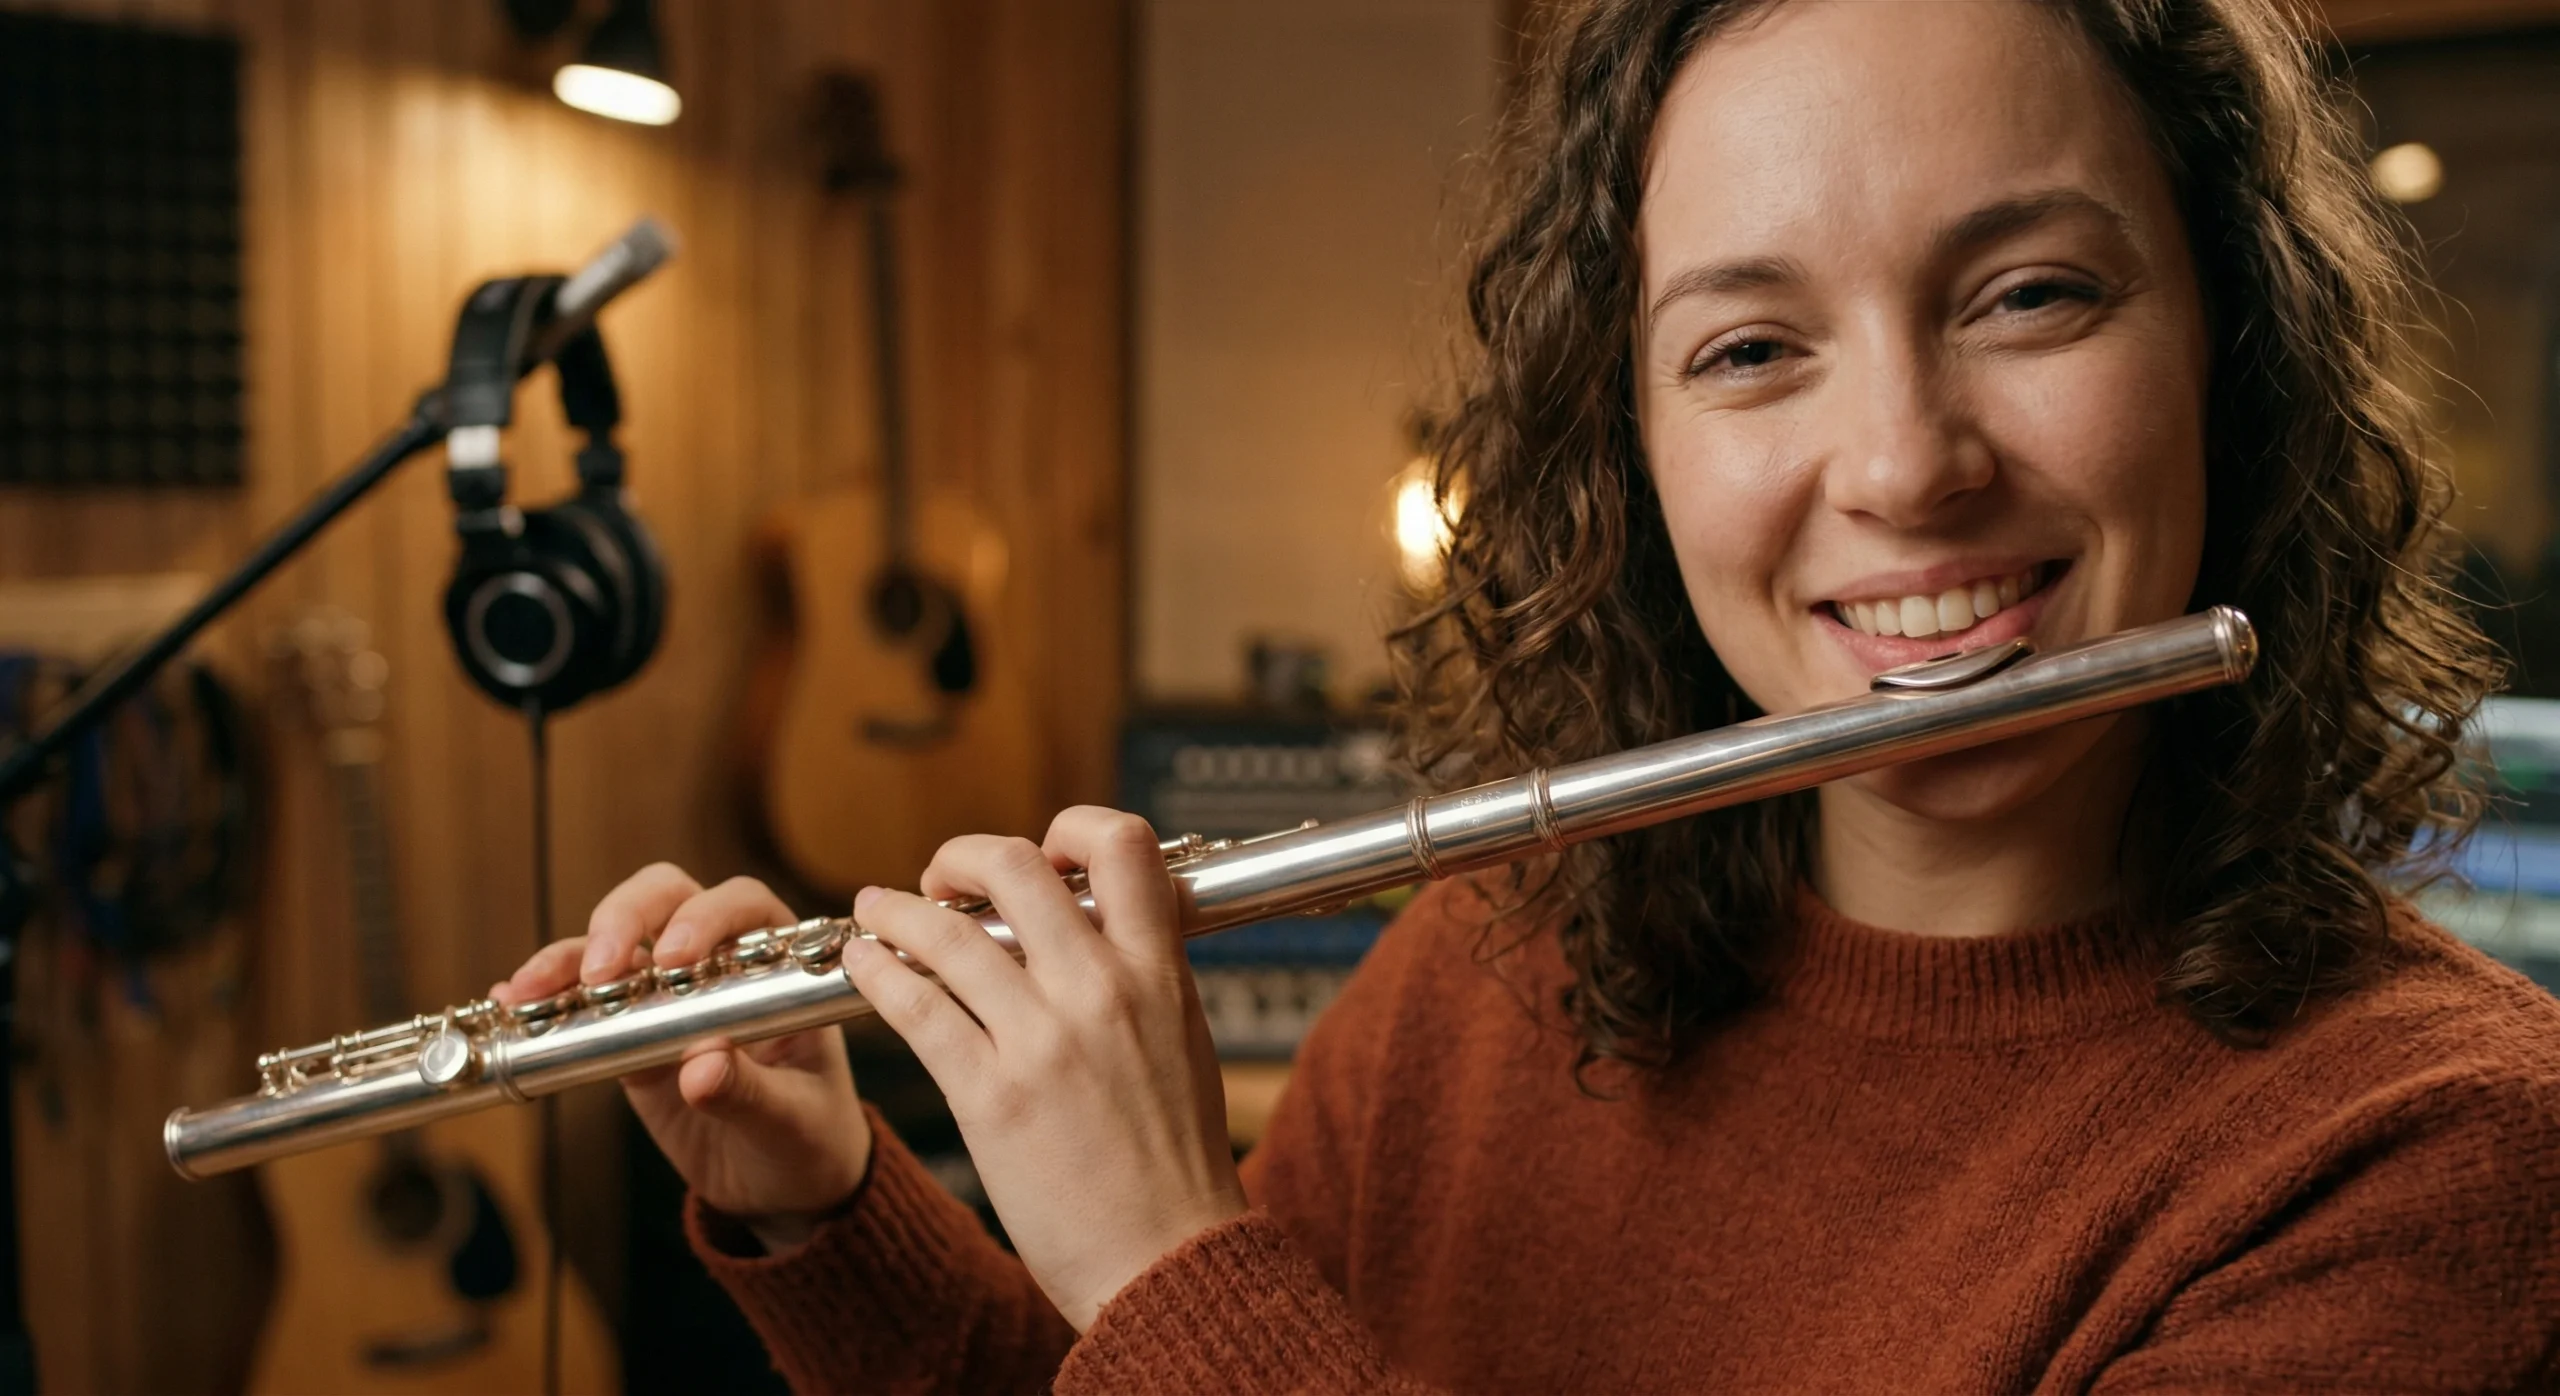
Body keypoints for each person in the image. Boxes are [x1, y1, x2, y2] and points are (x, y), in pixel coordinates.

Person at [498, 0, 2560, 1389]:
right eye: (1749, 348)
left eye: (2029, 294)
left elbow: (1200, 1342)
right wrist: (837, 1205)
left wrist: (1161, 1253)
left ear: (2225, 348)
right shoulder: (1499, 962)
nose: (1902, 463)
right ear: (1631, 450)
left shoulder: (2431, 1157)